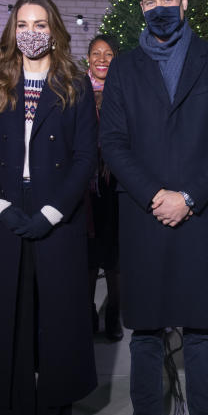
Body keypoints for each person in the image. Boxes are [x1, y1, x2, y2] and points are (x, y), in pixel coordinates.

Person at [100, 0, 208, 415]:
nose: (158, 8)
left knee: (202, 330)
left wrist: (186, 195)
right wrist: (154, 194)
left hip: (200, 215)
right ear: (141, 7)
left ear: (183, 3)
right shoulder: (123, 69)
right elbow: (112, 142)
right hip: (143, 216)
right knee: (145, 330)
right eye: (149, 0)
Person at [0, 0, 97, 415]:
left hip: (55, 217)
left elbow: (86, 157)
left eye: (40, 23)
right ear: (13, 31)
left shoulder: (76, 85)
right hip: (8, 216)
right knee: (11, 329)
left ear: (54, 30)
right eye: (23, 23)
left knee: (57, 329)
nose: (31, 31)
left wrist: (52, 212)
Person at [86, 34, 123, 341]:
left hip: (114, 185)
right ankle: (86, 315)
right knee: (86, 256)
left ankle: (113, 315)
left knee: (114, 258)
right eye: (96, 53)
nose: (101, 58)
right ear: (88, 59)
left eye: (108, 54)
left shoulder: (123, 91)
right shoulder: (77, 90)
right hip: (84, 187)